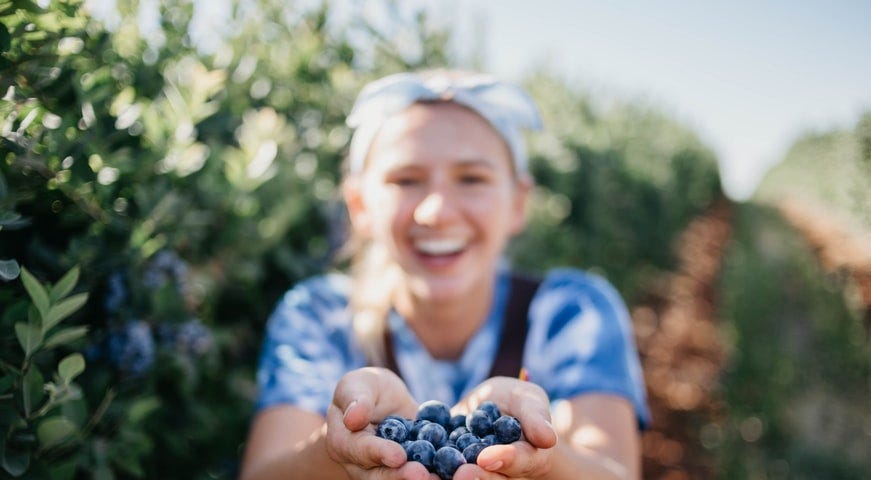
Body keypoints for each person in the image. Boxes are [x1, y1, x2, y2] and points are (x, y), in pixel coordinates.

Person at [239, 70, 650, 480]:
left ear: (518, 202)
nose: (436, 211)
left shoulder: (572, 314)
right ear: (359, 205)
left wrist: (542, 462)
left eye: (472, 179)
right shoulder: (318, 316)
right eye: (406, 180)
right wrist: (338, 448)